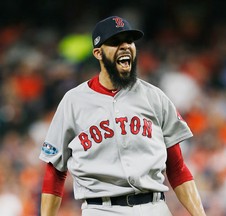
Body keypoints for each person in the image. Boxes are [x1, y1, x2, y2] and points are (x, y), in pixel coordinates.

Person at [39, 16, 206, 216]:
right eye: (116, 42)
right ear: (98, 53)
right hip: (100, 208)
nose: (125, 46)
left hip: (153, 207)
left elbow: (177, 168)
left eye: (129, 41)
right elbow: (55, 172)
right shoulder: (73, 101)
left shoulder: (154, 97)